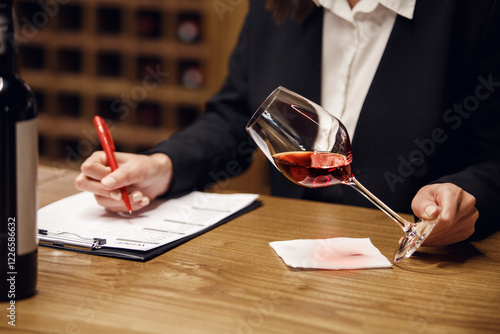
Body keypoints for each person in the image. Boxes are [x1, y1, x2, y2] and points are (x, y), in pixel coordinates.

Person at [75, 0, 500, 246]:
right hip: (289, 258)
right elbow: (237, 116)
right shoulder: (276, 6)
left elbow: (493, 159)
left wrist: (466, 197)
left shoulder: (478, 13)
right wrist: (163, 166)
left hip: (419, 274)